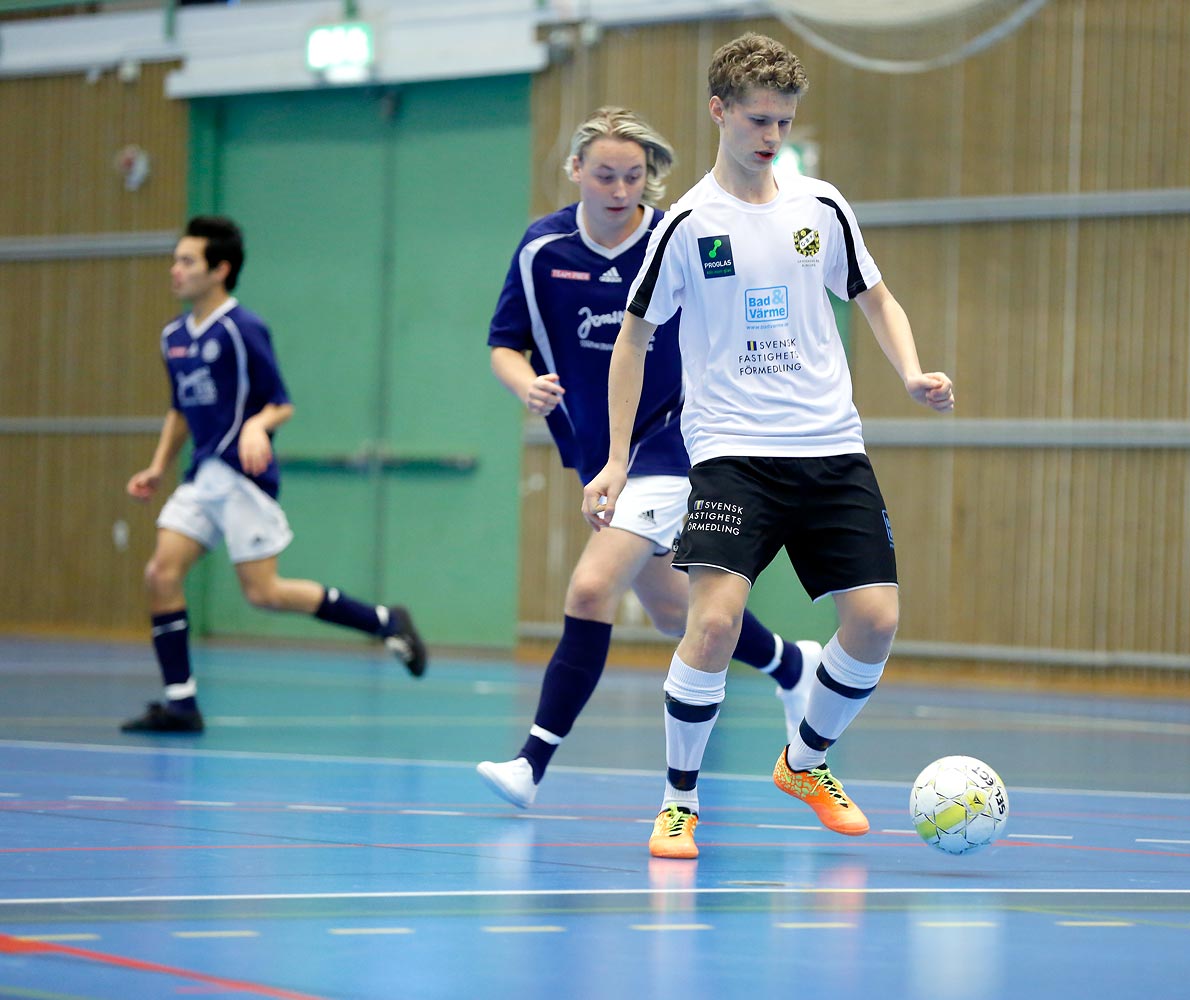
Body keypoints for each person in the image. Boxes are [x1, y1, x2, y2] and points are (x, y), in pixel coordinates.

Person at [582, 35, 955, 859]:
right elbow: (632, 341)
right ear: (719, 110)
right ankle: (679, 802)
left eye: (784, 121)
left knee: (876, 620)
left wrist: (912, 371)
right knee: (712, 624)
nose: (772, 136)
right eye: (758, 119)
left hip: (830, 446)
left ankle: (805, 760)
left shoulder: (821, 207)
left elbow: (876, 297)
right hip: (732, 454)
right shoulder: (683, 224)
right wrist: (614, 458)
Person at [476, 107, 820, 808]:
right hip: (597, 450)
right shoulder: (542, 250)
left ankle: (531, 762)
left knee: (590, 588)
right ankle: (793, 665)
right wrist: (527, 384)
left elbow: (745, 300)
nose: (619, 189)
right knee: (673, 610)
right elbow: (503, 342)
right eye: (604, 174)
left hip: (677, 436)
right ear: (575, 171)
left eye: (633, 176)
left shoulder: (678, 238)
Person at [121, 216, 426, 733]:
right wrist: (157, 467)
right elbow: (180, 410)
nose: (175, 270)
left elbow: (281, 403)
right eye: (175, 260)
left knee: (265, 594)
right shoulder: (172, 337)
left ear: (220, 269)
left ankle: (384, 621)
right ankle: (181, 704)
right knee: (160, 574)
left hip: (244, 478)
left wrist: (258, 426)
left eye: (186, 261)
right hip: (201, 478)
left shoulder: (243, 329)